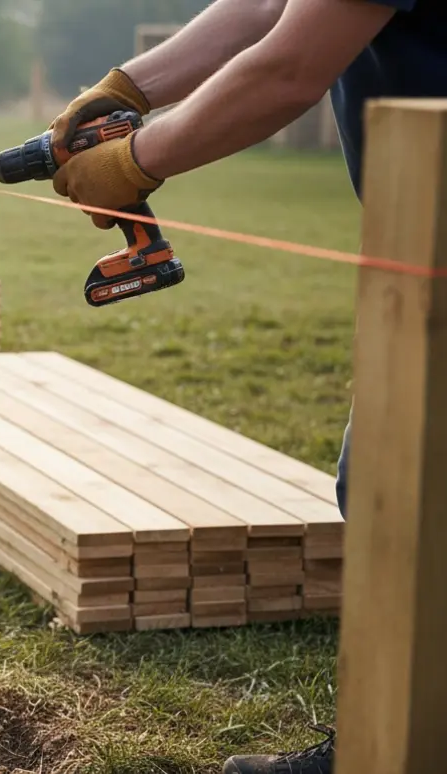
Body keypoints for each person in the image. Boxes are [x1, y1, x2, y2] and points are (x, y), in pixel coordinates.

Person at [43, 0, 447, 771]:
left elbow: (288, 67)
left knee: (403, 492)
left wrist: (133, 160)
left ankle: (382, 750)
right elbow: (268, 5)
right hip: (426, 230)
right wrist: (126, 88)